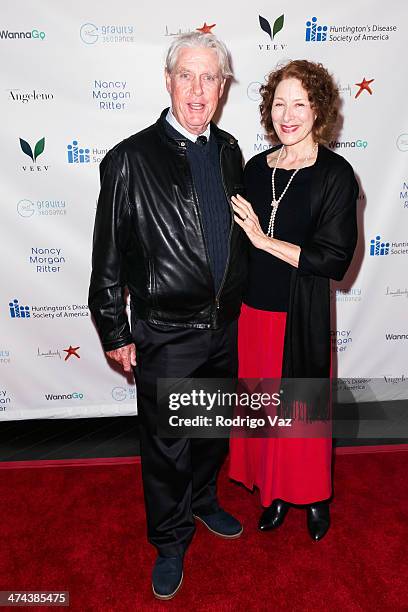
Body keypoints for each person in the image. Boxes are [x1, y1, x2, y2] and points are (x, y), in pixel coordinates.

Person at [88, 32, 247, 600]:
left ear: (223, 87)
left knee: (210, 432)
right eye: (188, 76)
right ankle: (170, 539)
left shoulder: (230, 150)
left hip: (223, 327)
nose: (198, 90)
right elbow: (107, 255)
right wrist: (113, 326)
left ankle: (203, 500)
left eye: (210, 78)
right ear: (168, 81)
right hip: (166, 330)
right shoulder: (130, 158)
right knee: (167, 446)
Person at [229, 60, 358, 541]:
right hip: (252, 313)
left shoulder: (336, 175)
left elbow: (334, 258)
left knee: (302, 418)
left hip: (298, 317)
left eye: (299, 104)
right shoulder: (254, 170)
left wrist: (265, 241)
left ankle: (315, 498)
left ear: (318, 110)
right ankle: (277, 493)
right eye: (279, 103)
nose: (288, 114)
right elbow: (236, 246)